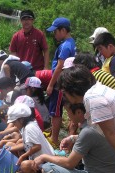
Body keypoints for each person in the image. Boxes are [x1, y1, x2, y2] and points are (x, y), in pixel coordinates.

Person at [33, 100, 115, 173]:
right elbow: (94, 140)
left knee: (47, 169)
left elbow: (69, 163)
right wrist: (73, 138)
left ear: (78, 112)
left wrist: (44, 157)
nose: (68, 115)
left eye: (68, 111)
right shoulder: (97, 124)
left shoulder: (87, 132)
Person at [45, 17, 76, 147]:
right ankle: (53, 134)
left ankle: (54, 139)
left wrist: (51, 85)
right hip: (63, 81)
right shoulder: (71, 42)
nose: (54, 34)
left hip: (59, 83)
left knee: (55, 111)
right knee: (56, 109)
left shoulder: (65, 46)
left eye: (55, 31)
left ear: (63, 30)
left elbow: (59, 66)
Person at [6, 103, 54, 173]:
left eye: (15, 123)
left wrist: (23, 156)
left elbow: (38, 146)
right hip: (36, 158)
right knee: (10, 145)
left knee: (25, 165)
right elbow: (26, 144)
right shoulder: (26, 126)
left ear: (21, 120)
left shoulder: (29, 128)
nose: (14, 125)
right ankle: (23, 171)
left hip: (46, 162)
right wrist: (8, 149)